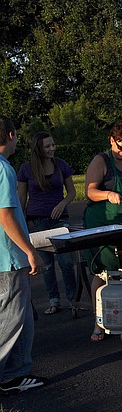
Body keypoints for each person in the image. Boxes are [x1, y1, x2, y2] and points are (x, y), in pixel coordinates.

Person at [83, 121, 122, 342]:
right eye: (120, 146)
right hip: (103, 222)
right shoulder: (101, 160)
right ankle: (98, 321)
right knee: (103, 272)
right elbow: (89, 191)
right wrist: (107, 194)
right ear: (111, 140)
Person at [0, 116, 46, 395]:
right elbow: (5, 215)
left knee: (22, 316)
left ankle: (15, 374)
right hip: (9, 257)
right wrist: (30, 250)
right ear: (10, 135)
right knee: (10, 319)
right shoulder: (4, 169)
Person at [16, 131, 77, 314]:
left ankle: (73, 299)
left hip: (59, 220)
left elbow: (72, 192)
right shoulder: (26, 169)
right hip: (36, 221)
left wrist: (62, 203)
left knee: (66, 261)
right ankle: (54, 300)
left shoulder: (61, 165)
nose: (52, 149)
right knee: (47, 263)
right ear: (38, 149)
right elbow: (21, 199)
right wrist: (21, 223)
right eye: (47, 146)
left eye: (53, 145)